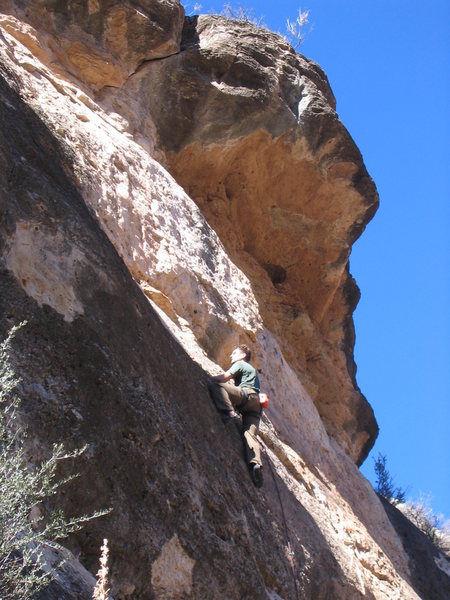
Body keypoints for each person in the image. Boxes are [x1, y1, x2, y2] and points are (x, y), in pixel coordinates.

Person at [207, 344, 263, 488]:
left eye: (234, 353)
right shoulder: (253, 371)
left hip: (245, 396)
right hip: (256, 406)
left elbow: (225, 378)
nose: (231, 355)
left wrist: (209, 377)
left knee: (216, 386)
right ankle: (255, 464)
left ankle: (229, 412)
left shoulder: (241, 364)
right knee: (250, 435)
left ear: (242, 356)